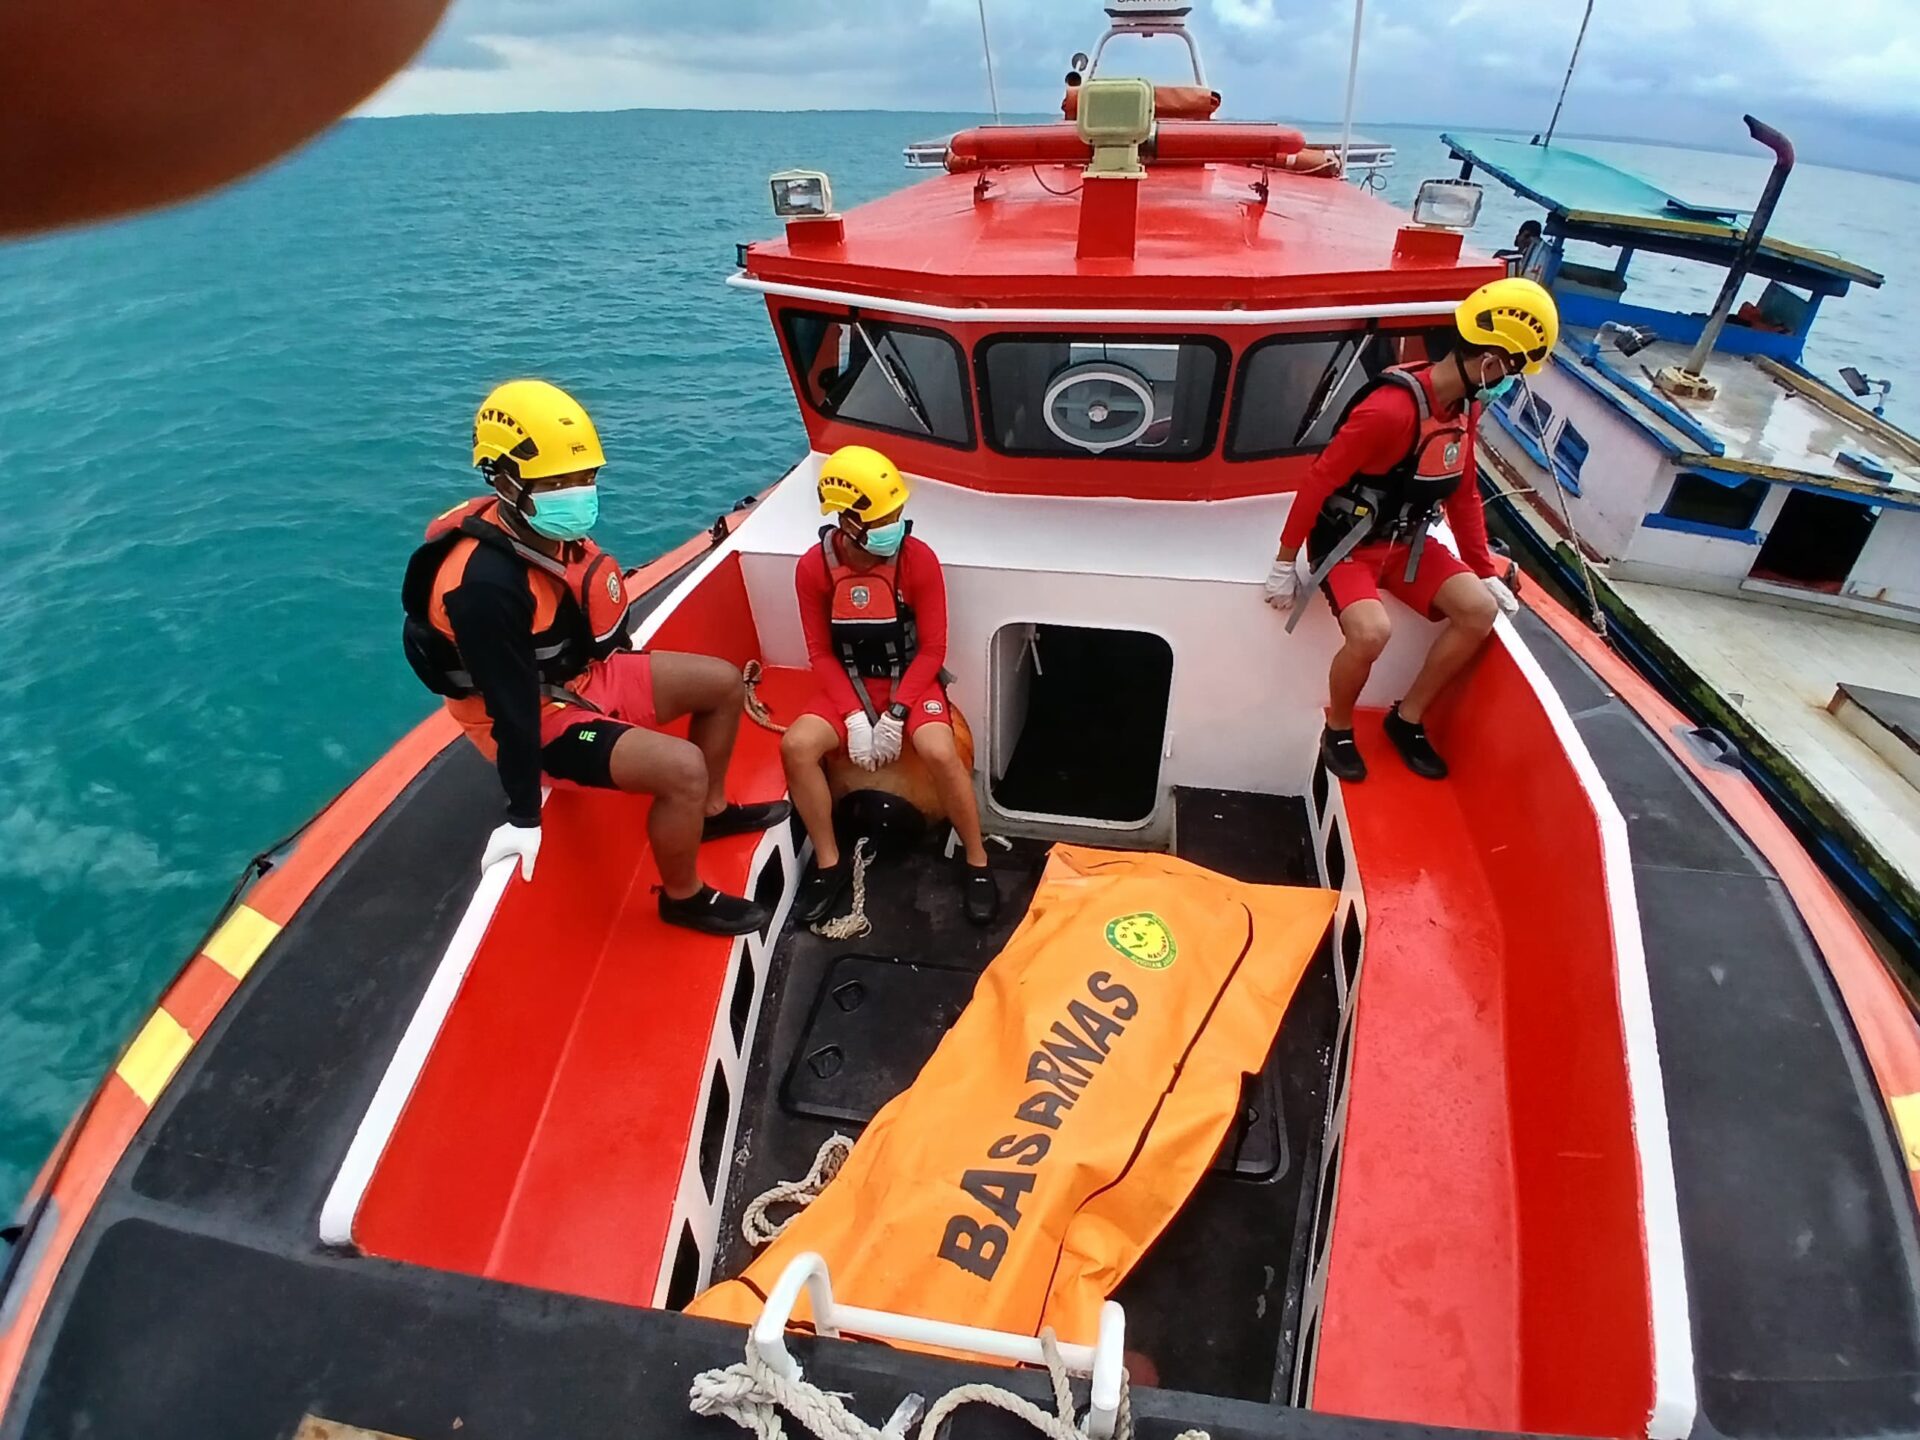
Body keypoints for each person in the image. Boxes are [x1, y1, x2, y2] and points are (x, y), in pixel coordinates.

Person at [402, 379, 788, 936]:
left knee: (724, 683)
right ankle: (683, 897)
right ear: (504, 480)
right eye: (557, 482)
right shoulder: (483, 585)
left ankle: (711, 812)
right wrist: (523, 817)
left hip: (579, 676)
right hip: (536, 717)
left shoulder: (540, 527)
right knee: (682, 768)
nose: (576, 493)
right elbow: (511, 708)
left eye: (584, 478)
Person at [1262, 278, 1558, 782]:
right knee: (1372, 633)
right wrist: (1285, 561)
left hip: (1408, 544)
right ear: (1488, 359)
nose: (1510, 378)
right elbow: (1319, 480)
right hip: (1350, 546)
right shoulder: (1388, 411)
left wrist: (1482, 569)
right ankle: (1338, 727)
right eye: (1511, 367)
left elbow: (1462, 490)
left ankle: (1408, 718)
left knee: (1477, 610)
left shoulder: (1466, 407)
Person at [780, 444, 1000, 926]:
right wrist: (856, 717)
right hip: (851, 685)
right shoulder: (812, 569)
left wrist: (897, 713)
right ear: (847, 521)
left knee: (941, 752)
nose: (895, 524)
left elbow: (933, 650)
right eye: (884, 516)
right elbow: (820, 653)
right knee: (797, 746)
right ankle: (828, 862)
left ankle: (978, 861)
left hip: (912, 685)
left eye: (897, 512)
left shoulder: (918, 561)